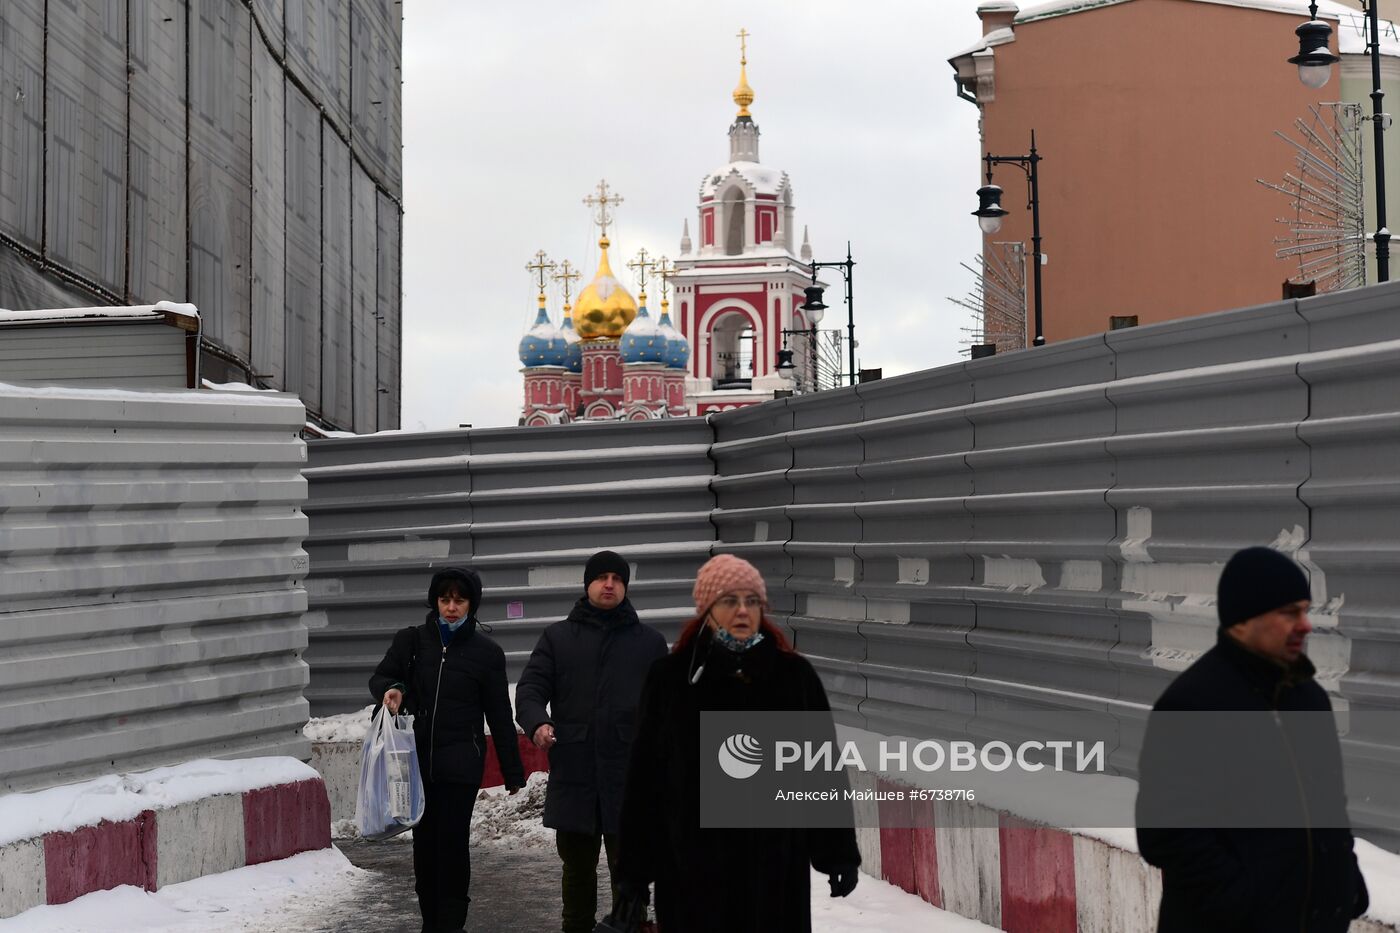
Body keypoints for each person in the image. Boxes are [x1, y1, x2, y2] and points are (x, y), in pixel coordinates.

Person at [609, 553, 861, 933]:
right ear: (706, 610)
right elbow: (645, 781)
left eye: (752, 601)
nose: (743, 611)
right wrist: (633, 875)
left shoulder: (792, 676)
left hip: (773, 876)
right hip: (693, 876)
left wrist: (837, 853)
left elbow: (822, 772)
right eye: (729, 601)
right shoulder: (672, 679)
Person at [1136, 546, 1369, 932]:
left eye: (1306, 611)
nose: (1306, 625)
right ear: (1245, 619)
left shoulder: (1307, 697)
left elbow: (1328, 806)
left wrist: (1346, 885)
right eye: (1289, 613)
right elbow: (1167, 835)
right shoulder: (1193, 704)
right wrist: (1246, 907)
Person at [514, 550, 667, 933]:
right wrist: (538, 723)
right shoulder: (558, 638)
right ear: (588, 585)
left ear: (626, 587)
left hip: (629, 781)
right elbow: (530, 689)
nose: (609, 584)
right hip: (576, 777)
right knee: (577, 876)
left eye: (617, 578)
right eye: (602, 577)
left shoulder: (649, 643)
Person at [370, 566, 524, 933]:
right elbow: (380, 677)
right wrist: (392, 689)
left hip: (461, 764)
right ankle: (431, 923)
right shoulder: (411, 642)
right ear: (435, 602)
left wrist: (512, 771)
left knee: (452, 845)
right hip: (416, 760)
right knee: (424, 847)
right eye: (445, 599)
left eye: (459, 600)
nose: (451, 607)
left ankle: (452, 925)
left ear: (472, 604)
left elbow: (500, 714)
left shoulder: (486, 653)